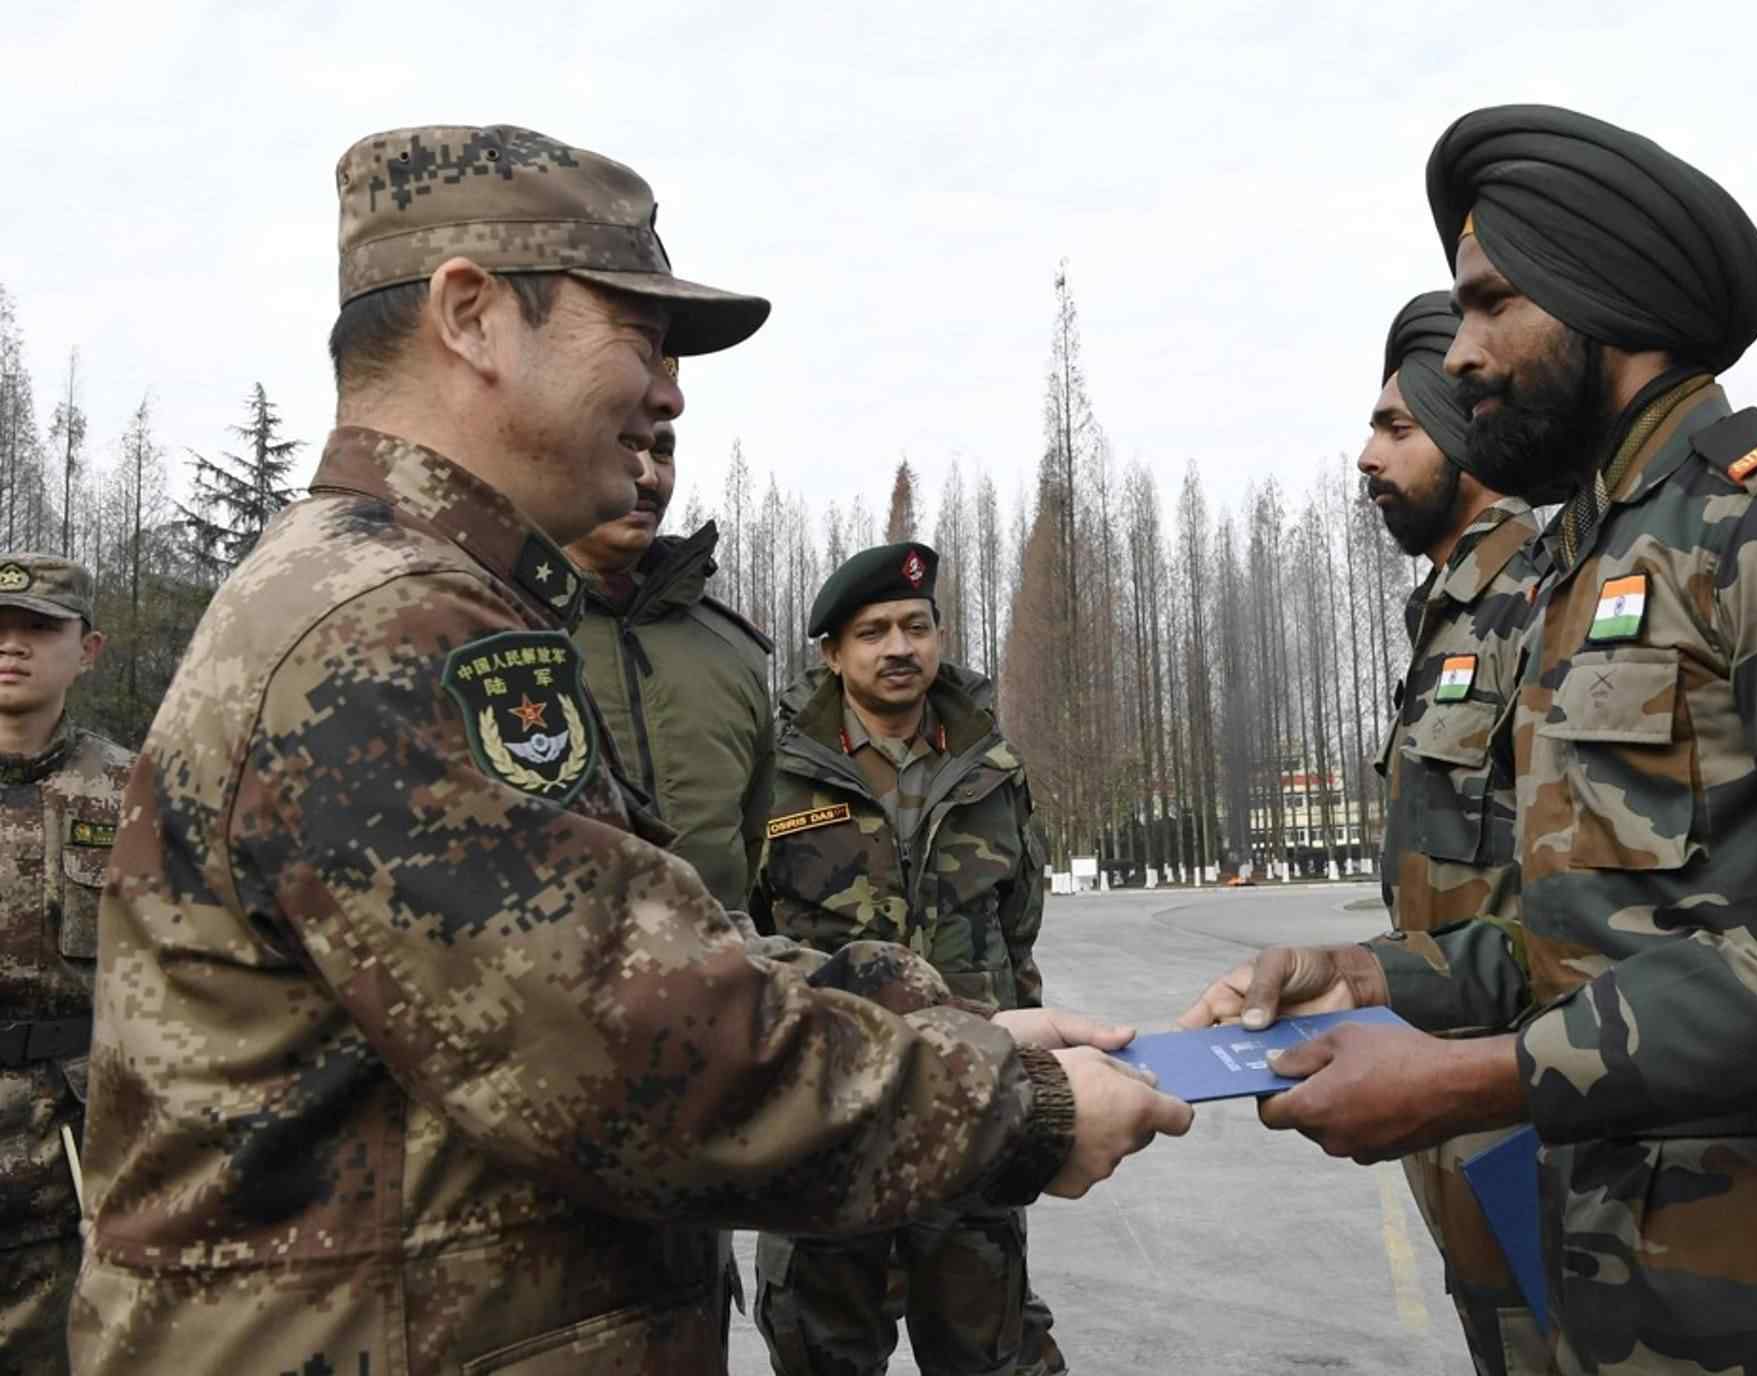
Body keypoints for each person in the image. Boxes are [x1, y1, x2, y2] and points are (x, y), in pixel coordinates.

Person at [72, 124, 1192, 1376]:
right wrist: (1018, 1110)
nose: (668, 391)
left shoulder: (423, 592)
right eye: (639, 337)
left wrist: (943, 1016)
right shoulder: (393, 622)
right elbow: (632, 1042)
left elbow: (636, 939)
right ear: (474, 316)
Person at [1184, 104, 1757, 1374]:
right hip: (1614, 1290)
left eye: (1487, 307)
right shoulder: (1587, 563)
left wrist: (1482, 1083)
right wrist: (1367, 978)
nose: (1458, 357)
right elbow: (1577, 942)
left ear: (1600, 299)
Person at [752, 541, 1060, 1376]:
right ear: (832, 653)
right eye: (874, 630)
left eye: (916, 627)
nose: (899, 647)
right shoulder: (775, 771)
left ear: (939, 635)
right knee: (823, 1353)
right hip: (828, 1116)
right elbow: (740, 940)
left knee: (990, 1350)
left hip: (967, 1109)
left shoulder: (990, 769)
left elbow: (1017, 931)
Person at [1363, 295, 1550, 1375]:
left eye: (1397, 428)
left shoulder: (1538, 595)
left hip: (1528, 1096)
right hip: (1446, 1085)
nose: (1367, 457)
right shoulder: (1448, 614)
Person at [0, 556, 128, 1376]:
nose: (11, 647)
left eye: (41, 628)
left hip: (69, 1153)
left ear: (88, 651)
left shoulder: (132, 792)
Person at [566, 415, 772, 917]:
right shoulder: (494, 624)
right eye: (621, 443)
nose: (648, 476)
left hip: (724, 979)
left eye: (661, 451)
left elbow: (755, 846)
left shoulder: (731, 650)